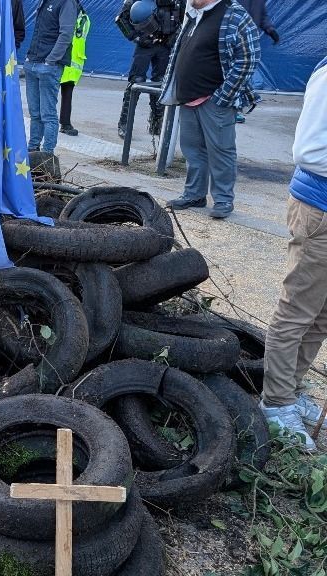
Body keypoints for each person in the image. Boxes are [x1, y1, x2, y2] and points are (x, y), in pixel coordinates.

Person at [259, 55, 327, 452]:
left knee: (322, 314)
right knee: (298, 309)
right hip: (320, 209)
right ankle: (275, 403)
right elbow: (311, 152)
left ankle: (290, 387)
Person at [161, 0, 260, 219]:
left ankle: (223, 200)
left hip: (215, 101)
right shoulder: (194, 15)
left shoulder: (234, 15)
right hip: (188, 98)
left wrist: (222, 97)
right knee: (192, 150)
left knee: (221, 151)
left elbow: (248, 59)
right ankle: (194, 194)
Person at [114, 0, 184, 138]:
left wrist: (174, 37)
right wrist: (137, 38)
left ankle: (157, 125)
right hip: (145, 45)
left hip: (166, 45)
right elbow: (121, 19)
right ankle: (124, 124)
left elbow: (185, 20)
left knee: (160, 83)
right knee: (136, 82)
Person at [24, 0, 76, 154]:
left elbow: (66, 34)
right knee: (35, 113)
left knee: (48, 115)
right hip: (33, 62)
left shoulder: (67, 3)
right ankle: (33, 150)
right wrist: (29, 58)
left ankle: (47, 155)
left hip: (49, 66)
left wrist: (51, 60)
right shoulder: (44, 2)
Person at [235, 0, 276, 123]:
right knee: (233, 73)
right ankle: (233, 108)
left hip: (250, 40)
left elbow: (262, 15)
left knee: (243, 75)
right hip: (233, 38)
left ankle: (237, 107)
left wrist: (270, 29)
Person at [58, 0, 88, 136]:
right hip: (61, 59)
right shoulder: (74, 12)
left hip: (70, 62)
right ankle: (60, 124)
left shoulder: (83, 16)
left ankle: (65, 123)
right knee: (50, 95)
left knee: (66, 93)